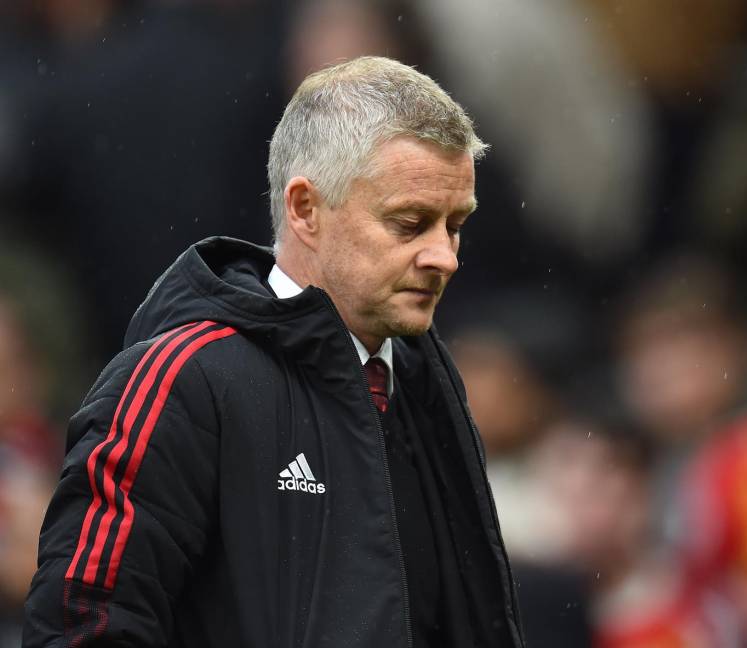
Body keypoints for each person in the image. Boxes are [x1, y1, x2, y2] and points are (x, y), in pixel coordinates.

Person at [23, 56, 525, 648]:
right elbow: (85, 627)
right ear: (305, 208)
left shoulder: (423, 376)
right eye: (410, 223)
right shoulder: (184, 378)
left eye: (454, 224)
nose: (445, 256)